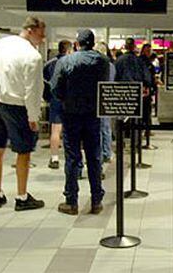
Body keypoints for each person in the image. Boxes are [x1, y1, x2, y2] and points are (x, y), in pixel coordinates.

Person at [0, 16, 46, 211]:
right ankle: (21, 197)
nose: (43, 37)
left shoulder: (1, 44)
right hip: (17, 106)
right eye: (41, 33)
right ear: (30, 30)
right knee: (23, 151)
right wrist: (33, 117)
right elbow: (33, 90)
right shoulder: (32, 55)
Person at [51, 29, 109, 215]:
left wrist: (65, 98)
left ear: (77, 43)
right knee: (94, 155)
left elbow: (56, 88)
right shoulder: (102, 61)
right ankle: (96, 200)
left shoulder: (66, 61)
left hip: (71, 114)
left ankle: (71, 201)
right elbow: (104, 85)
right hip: (93, 114)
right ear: (93, 43)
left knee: (73, 157)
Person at [43, 40, 73, 169]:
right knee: (71, 130)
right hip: (70, 100)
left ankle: (54, 158)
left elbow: (45, 81)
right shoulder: (73, 62)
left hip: (55, 99)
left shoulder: (50, 64)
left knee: (55, 130)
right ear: (69, 50)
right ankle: (71, 157)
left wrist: (47, 97)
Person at [94, 41, 115, 166]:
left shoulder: (95, 65)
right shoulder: (111, 66)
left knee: (99, 128)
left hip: (97, 98)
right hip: (108, 97)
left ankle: (101, 154)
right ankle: (107, 152)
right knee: (106, 127)